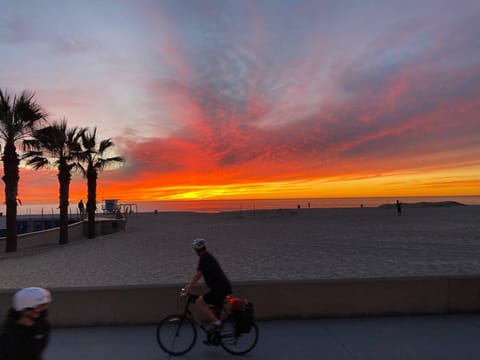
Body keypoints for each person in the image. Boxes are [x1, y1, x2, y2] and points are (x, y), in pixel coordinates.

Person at [183, 238, 232, 334]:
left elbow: (197, 276)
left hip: (220, 289)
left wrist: (187, 290)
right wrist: (187, 287)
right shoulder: (207, 256)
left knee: (199, 302)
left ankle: (217, 323)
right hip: (221, 288)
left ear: (196, 250)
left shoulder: (204, 258)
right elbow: (198, 276)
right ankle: (216, 335)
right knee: (214, 310)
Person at [0, 287, 52, 360]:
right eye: (40, 306)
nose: (43, 309)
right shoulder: (7, 333)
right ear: (26, 309)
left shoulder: (42, 326)